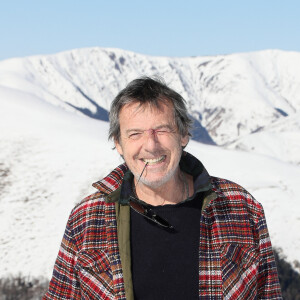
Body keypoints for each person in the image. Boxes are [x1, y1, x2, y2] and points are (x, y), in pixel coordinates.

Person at [44, 77, 282, 299]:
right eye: (135, 133)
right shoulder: (87, 218)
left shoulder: (240, 207)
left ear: (183, 135)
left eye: (162, 130)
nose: (151, 145)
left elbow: (269, 294)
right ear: (118, 143)